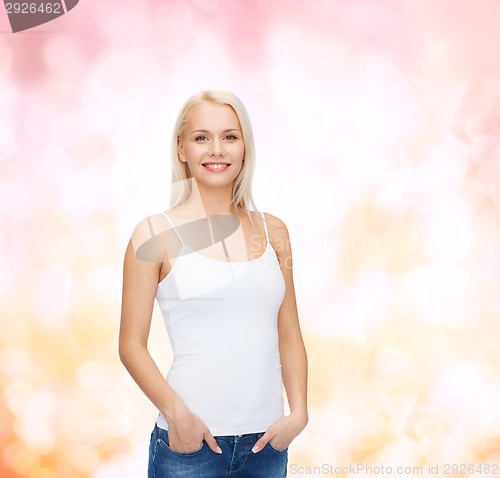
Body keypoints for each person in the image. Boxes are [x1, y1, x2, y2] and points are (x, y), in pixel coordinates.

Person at [119, 90, 308, 477]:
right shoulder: (155, 233)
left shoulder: (273, 231)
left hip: (266, 446)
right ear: (182, 149)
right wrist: (177, 416)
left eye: (230, 136)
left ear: (244, 148)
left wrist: (300, 411)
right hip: (190, 447)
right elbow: (130, 345)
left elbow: (288, 331)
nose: (216, 149)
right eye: (202, 137)